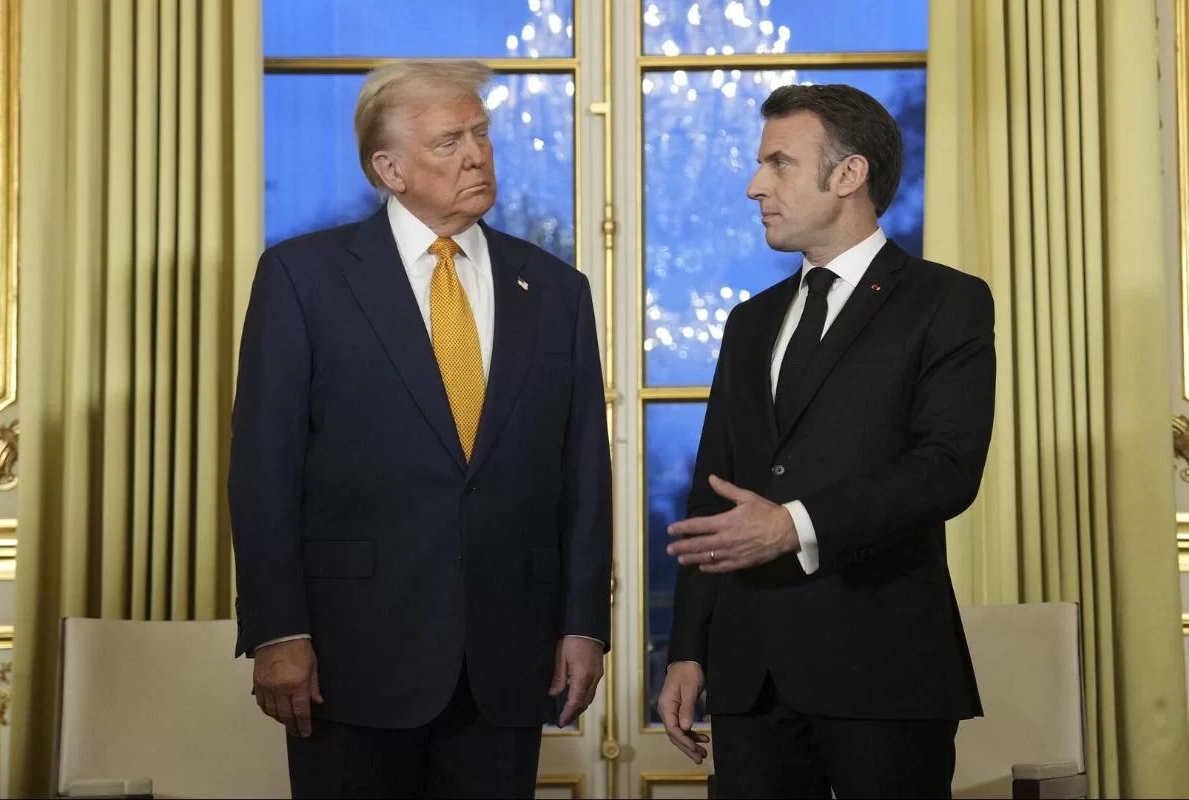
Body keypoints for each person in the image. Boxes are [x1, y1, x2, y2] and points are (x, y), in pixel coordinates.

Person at [229, 59, 612, 799]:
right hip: (349, 660)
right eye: (448, 141)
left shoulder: (556, 290)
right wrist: (278, 630)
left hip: (508, 658)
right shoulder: (303, 278)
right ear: (390, 169)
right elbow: (263, 470)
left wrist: (584, 624)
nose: (476, 155)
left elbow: (585, 473)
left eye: (481, 134)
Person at [657, 83, 995, 799]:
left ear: (849, 175)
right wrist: (688, 650)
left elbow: (947, 468)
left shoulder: (946, 301)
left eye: (778, 163)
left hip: (883, 671)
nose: (755, 186)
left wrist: (794, 524)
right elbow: (711, 495)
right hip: (750, 679)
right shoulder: (749, 323)